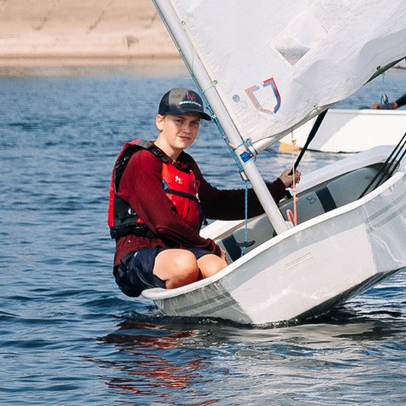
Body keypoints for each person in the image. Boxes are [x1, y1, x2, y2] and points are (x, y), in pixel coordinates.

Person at [111, 87, 299, 297]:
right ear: (160, 122)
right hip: (137, 255)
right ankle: (172, 322)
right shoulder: (142, 161)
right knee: (185, 264)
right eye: (179, 121)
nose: (187, 129)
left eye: (194, 123)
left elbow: (217, 203)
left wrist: (277, 187)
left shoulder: (186, 164)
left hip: (179, 251)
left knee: (215, 268)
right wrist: (209, 245)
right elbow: (163, 222)